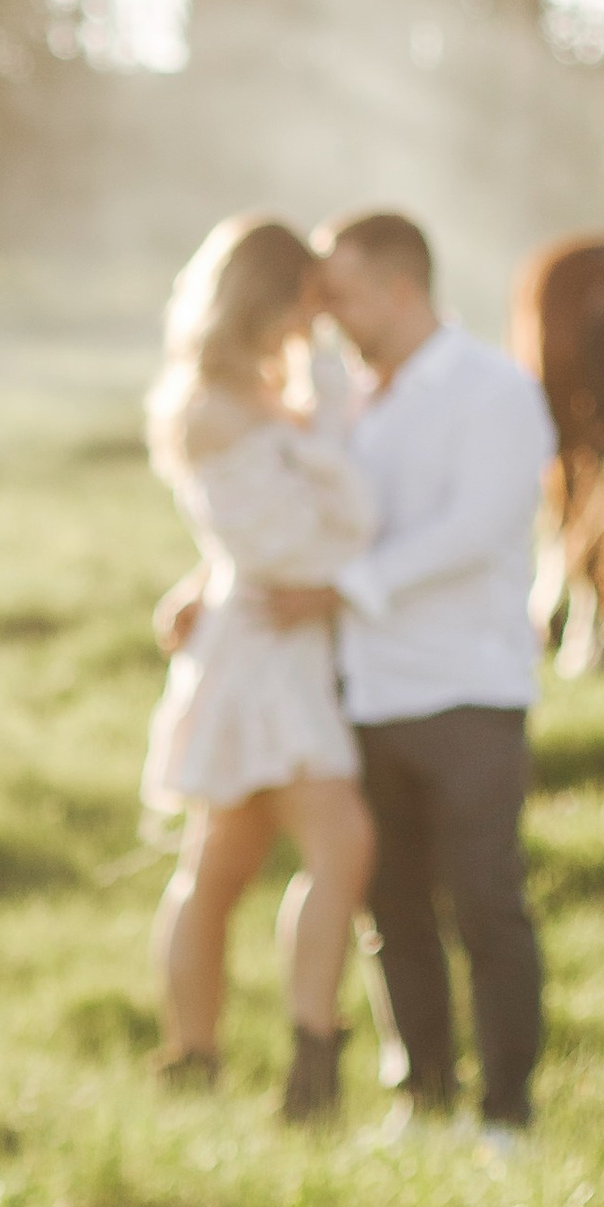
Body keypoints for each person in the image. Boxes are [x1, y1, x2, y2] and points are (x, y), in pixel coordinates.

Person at [261, 212, 558, 1141]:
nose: (329, 315)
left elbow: (479, 527)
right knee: (389, 908)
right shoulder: (348, 399)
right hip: (367, 689)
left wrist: (343, 589)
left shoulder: (494, 390)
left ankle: (506, 1114)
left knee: (484, 903)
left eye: (341, 295)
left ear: (401, 288)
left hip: (467, 689)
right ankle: (421, 1097)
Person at [141, 215, 378, 1120]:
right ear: (268, 301)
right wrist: (345, 545)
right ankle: (279, 1063)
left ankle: (228, 1060)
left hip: (277, 639)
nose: (314, 326)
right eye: (306, 306)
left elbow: (256, 533)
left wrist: (209, 573)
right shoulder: (211, 407)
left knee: (225, 864)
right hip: (264, 651)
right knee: (317, 849)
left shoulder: (260, 395)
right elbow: (280, 541)